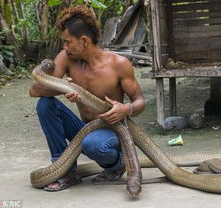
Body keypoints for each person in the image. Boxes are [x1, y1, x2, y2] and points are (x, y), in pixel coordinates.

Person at [29, 5, 145, 192]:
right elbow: (35, 90)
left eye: (68, 42)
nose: (64, 47)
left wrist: (126, 109)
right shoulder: (66, 58)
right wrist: (64, 88)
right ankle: (63, 170)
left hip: (111, 131)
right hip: (84, 130)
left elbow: (140, 101)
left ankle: (117, 165)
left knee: (93, 144)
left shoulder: (118, 64)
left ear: (83, 40)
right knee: (45, 104)